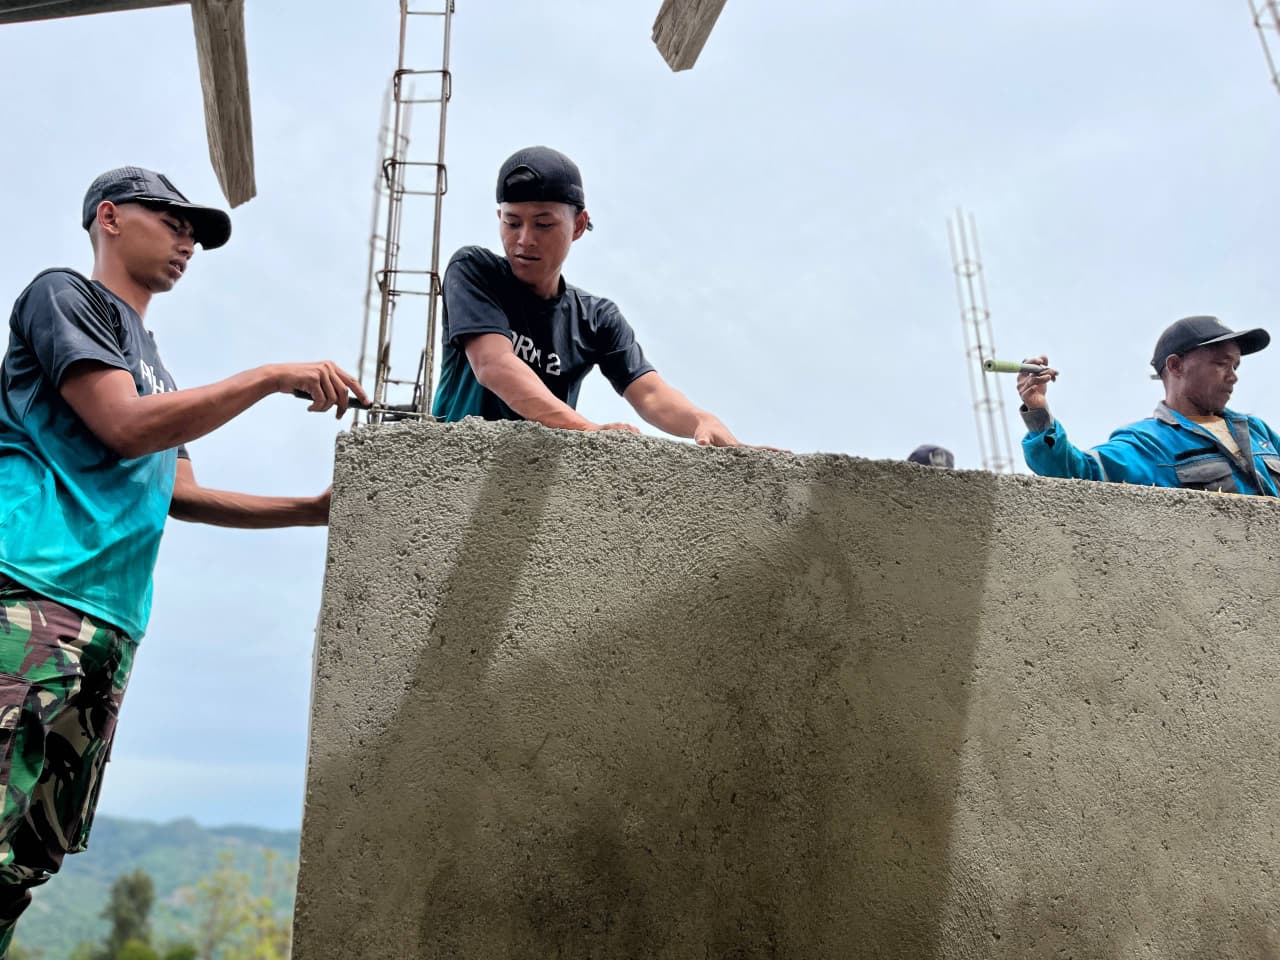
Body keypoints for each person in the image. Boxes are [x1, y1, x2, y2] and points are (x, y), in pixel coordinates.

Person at [0, 166, 367, 953]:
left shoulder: (154, 366)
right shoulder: (63, 297)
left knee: (24, 862)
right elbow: (125, 426)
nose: (187, 240)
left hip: (110, 627)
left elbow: (181, 493)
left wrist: (311, 511)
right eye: (171, 221)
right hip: (31, 599)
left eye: (194, 231)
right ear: (108, 217)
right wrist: (270, 376)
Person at [431, 146, 742, 445]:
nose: (524, 239)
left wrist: (702, 420)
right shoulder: (474, 271)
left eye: (543, 224)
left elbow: (650, 394)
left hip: (536, 474)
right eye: (512, 223)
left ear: (578, 226)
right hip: (460, 464)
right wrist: (586, 429)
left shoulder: (595, 318)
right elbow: (494, 364)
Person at [1017, 315, 1280, 495]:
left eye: (1235, 366)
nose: (1233, 376)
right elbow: (1076, 471)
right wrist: (1038, 411)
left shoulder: (1257, 431)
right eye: (1221, 364)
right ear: (1175, 366)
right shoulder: (1148, 443)